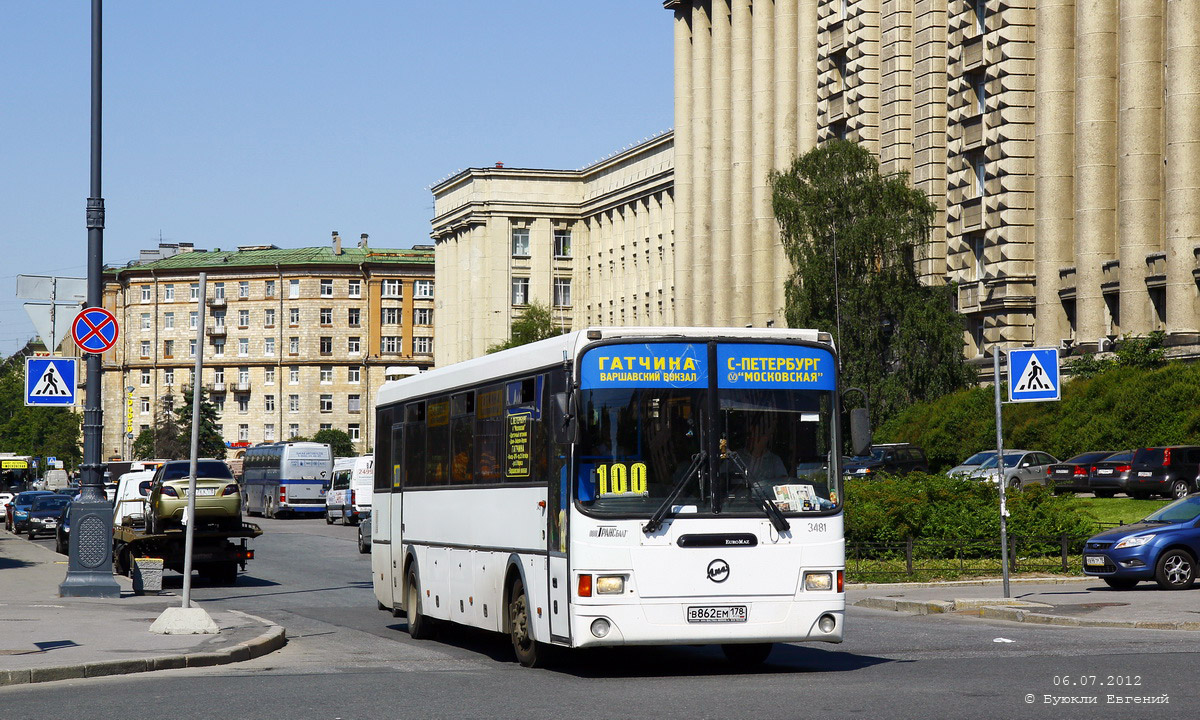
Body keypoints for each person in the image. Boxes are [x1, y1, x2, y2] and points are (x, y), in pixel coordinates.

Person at [730, 413, 787, 483]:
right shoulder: (734, 458)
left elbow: (783, 485)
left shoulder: (775, 461)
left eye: (765, 433)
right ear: (751, 431)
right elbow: (720, 480)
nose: (761, 437)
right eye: (759, 432)